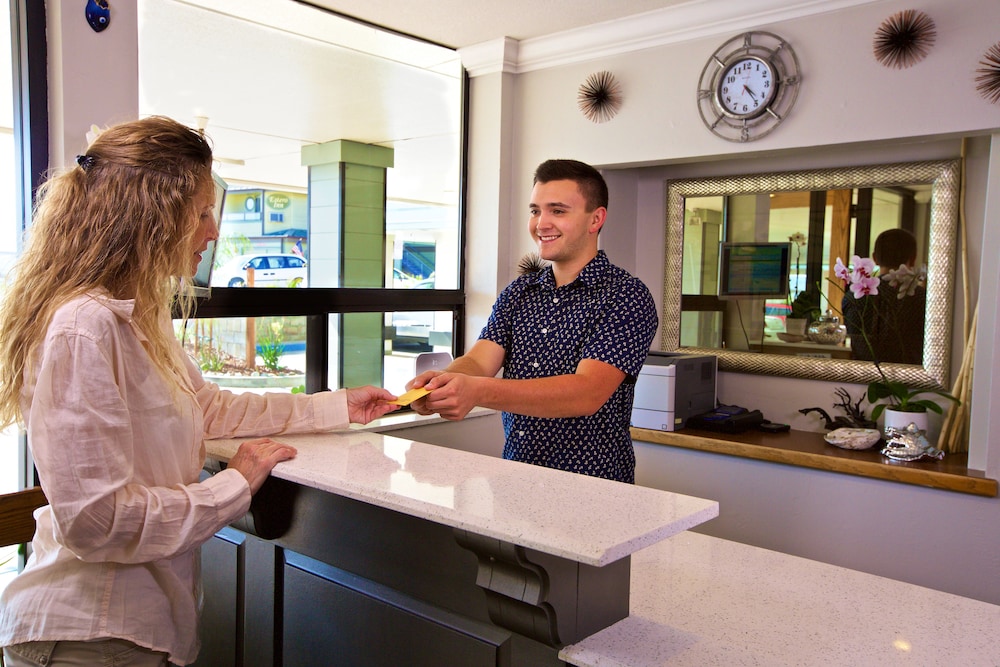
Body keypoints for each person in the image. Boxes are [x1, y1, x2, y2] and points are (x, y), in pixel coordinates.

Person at [0, 116, 398, 667]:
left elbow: (210, 408)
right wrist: (234, 486)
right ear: (152, 217)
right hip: (88, 637)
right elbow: (97, 523)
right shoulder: (82, 326)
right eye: (203, 212)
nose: (213, 232)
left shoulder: (137, 317)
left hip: (138, 632)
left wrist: (337, 405)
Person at [407, 159, 658, 483]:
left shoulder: (626, 296)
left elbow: (585, 394)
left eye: (558, 210)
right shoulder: (519, 292)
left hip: (593, 488)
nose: (541, 223)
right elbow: (478, 361)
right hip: (516, 481)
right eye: (535, 210)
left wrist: (476, 391)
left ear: (596, 219)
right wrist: (439, 384)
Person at [842, 228, 926, 365]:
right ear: (913, 258)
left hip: (861, 378)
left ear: (874, 258)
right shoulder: (923, 298)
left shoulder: (855, 296)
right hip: (912, 379)